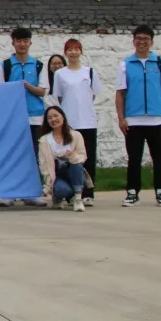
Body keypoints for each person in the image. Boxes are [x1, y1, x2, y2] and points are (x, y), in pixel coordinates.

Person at [117, 25, 161, 208]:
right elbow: (120, 93)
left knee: (159, 158)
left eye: (146, 39)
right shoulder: (125, 64)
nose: (142, 42)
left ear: (151, 42)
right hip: (133, 119)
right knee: (134, 158)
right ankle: (132, 192)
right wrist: (121, 118)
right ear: (133, 41)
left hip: (157, 119)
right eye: (138, 38)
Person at [0, 27, 48, 208]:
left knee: (32, 156)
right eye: (18, 41)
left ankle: (31, 193)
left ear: (30, 42)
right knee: (11, 155)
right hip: (13, 118)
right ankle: (9, 193)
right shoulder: (5, 65)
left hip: (34, 117)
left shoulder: (38, 65)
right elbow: (0, 92)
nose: (22, 44)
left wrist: (27, 86)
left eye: (25, 41)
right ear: (13, 43)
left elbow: (42, 91)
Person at [52, 39, 101, 206]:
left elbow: (93, 95)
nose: (73, 52)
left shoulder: (90, 72)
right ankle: (71, 193)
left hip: (88, 122)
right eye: (70, 50)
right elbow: (59, 97)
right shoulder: (60, 74)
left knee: (88, 157)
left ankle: (88, 193)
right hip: (69, 123)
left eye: (76, 49)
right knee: (69, 158)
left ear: (81, 51)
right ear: (65, 52)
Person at [38, 106, 88, 212]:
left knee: (77, 164)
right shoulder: (44, 140)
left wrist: (72, 155)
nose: (53, 119)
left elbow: (82, 156)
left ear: (63, 117)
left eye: (56, 116)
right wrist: (48, 185)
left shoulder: (76, 135)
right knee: (62, 190)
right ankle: (58, 197)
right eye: (49, 118)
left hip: (73, 172)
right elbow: (44, 164)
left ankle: (78, 199)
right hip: (57, 175)